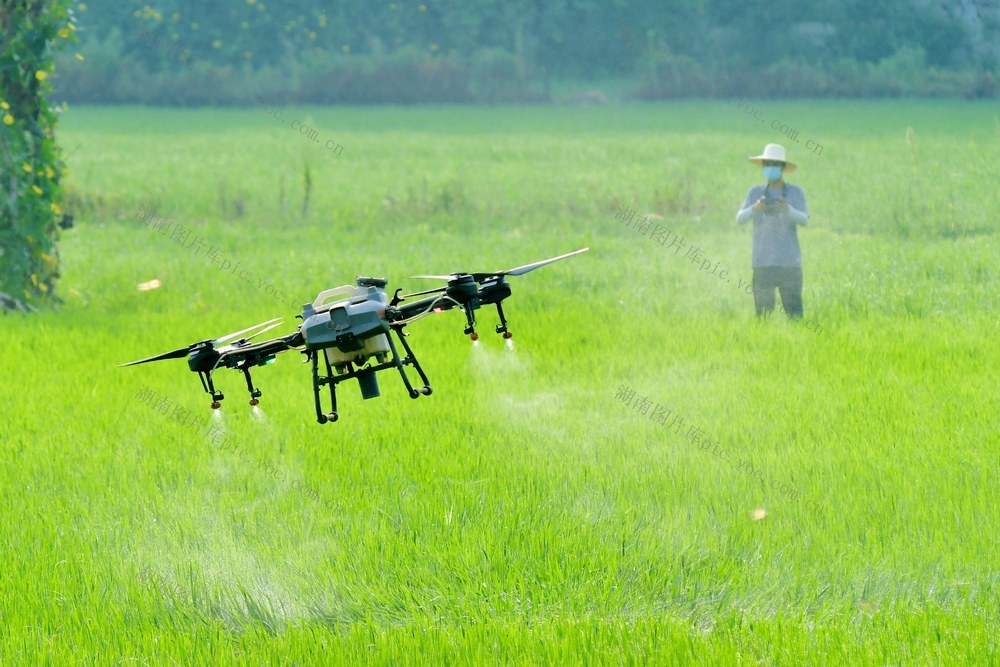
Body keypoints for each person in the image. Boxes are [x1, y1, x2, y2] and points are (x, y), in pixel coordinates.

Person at [736, 144, 809, 318]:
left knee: (795, 315)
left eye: (775, 164)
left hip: (789, 263)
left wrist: (788, 210)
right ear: (763, 166)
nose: (770, 168)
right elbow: (739, 219)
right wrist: (755, 209)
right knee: (763, 316)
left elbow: (804, 220)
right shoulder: (755, 192)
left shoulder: (795, 192)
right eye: (767, 164)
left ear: (783, 167)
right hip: (763, 262)